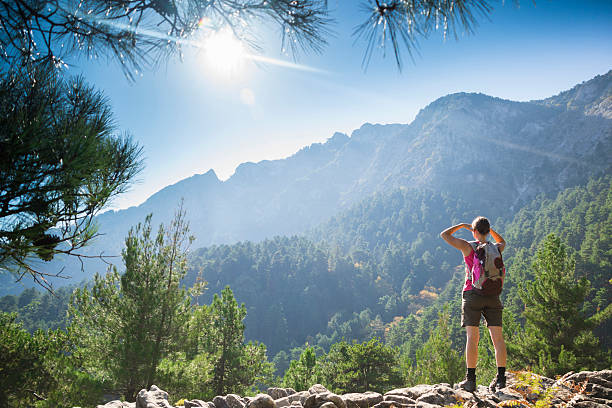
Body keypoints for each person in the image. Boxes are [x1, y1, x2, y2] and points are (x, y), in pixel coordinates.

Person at [440, 216, 507, 392]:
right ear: (488, 230)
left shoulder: (468, 246)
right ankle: (501, 379)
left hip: (472, 294)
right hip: (493, 295)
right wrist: (489, 231)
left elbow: (444, 235)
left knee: (472, 338)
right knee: (498, 339)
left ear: (474, 231)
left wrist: (463, 226)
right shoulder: (497, 248)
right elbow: (502, 241)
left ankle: (470, 380)